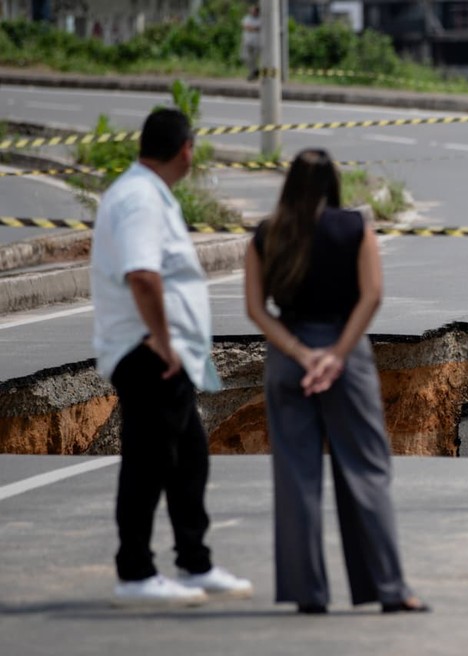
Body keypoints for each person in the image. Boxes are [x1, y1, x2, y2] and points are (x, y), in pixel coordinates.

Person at [244, 148, 428, 615]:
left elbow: (255, 309)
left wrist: (302, 354)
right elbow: (372, 296)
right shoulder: (355, 228)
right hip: (345, 355)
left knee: (296, 476)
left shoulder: (267, 234)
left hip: (289, 358)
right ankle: (389, 588)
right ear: (333, 183)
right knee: (366, 470)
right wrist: (335, 355)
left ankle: (309, 593)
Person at [91, 108, 254, 606]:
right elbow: (143, 275)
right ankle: (135, 572)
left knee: (188, 461)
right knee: (148, 461)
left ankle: (194, 562)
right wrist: (162, 339)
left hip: (166, 353)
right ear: (185, 148)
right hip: (149, 354)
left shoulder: (145, 192)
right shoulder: (140, 198)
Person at [241, 4, 261, 81]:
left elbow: (258, 28)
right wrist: (254, 28)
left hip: (256, 42)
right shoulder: (247, 18)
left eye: (253, 11)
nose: (252, 12)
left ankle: (253, 73)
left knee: (254, 58)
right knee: (245, 57)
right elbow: (245, 26)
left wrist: (251, 28)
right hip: (247, 41)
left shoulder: (260, 19)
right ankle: (255, 71)